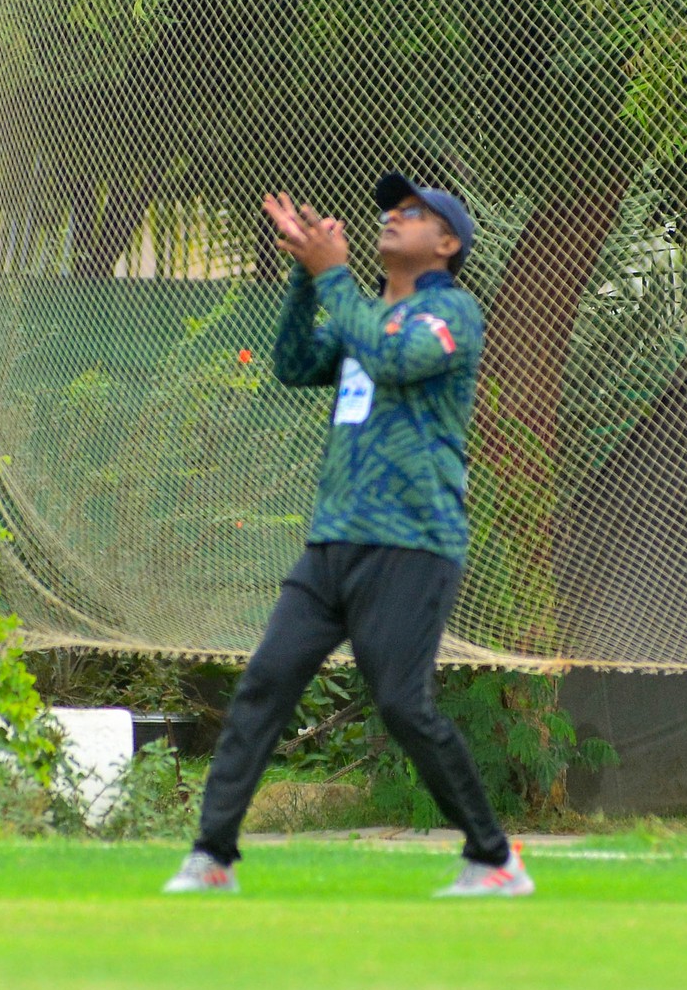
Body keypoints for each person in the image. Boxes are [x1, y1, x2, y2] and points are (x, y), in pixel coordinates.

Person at [164, 174, 532, 897]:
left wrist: (332, 275)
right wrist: (307, 279)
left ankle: (494, 859)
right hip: (332, 541)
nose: (393, 217)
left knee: (402, 704)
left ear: (447, 244)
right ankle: (212, 857)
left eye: (414, 213)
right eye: (391, 209)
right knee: (265, 685)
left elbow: (392, 359)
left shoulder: (451, 312)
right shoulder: (362, 314)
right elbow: (295, 363)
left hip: (413, 543)